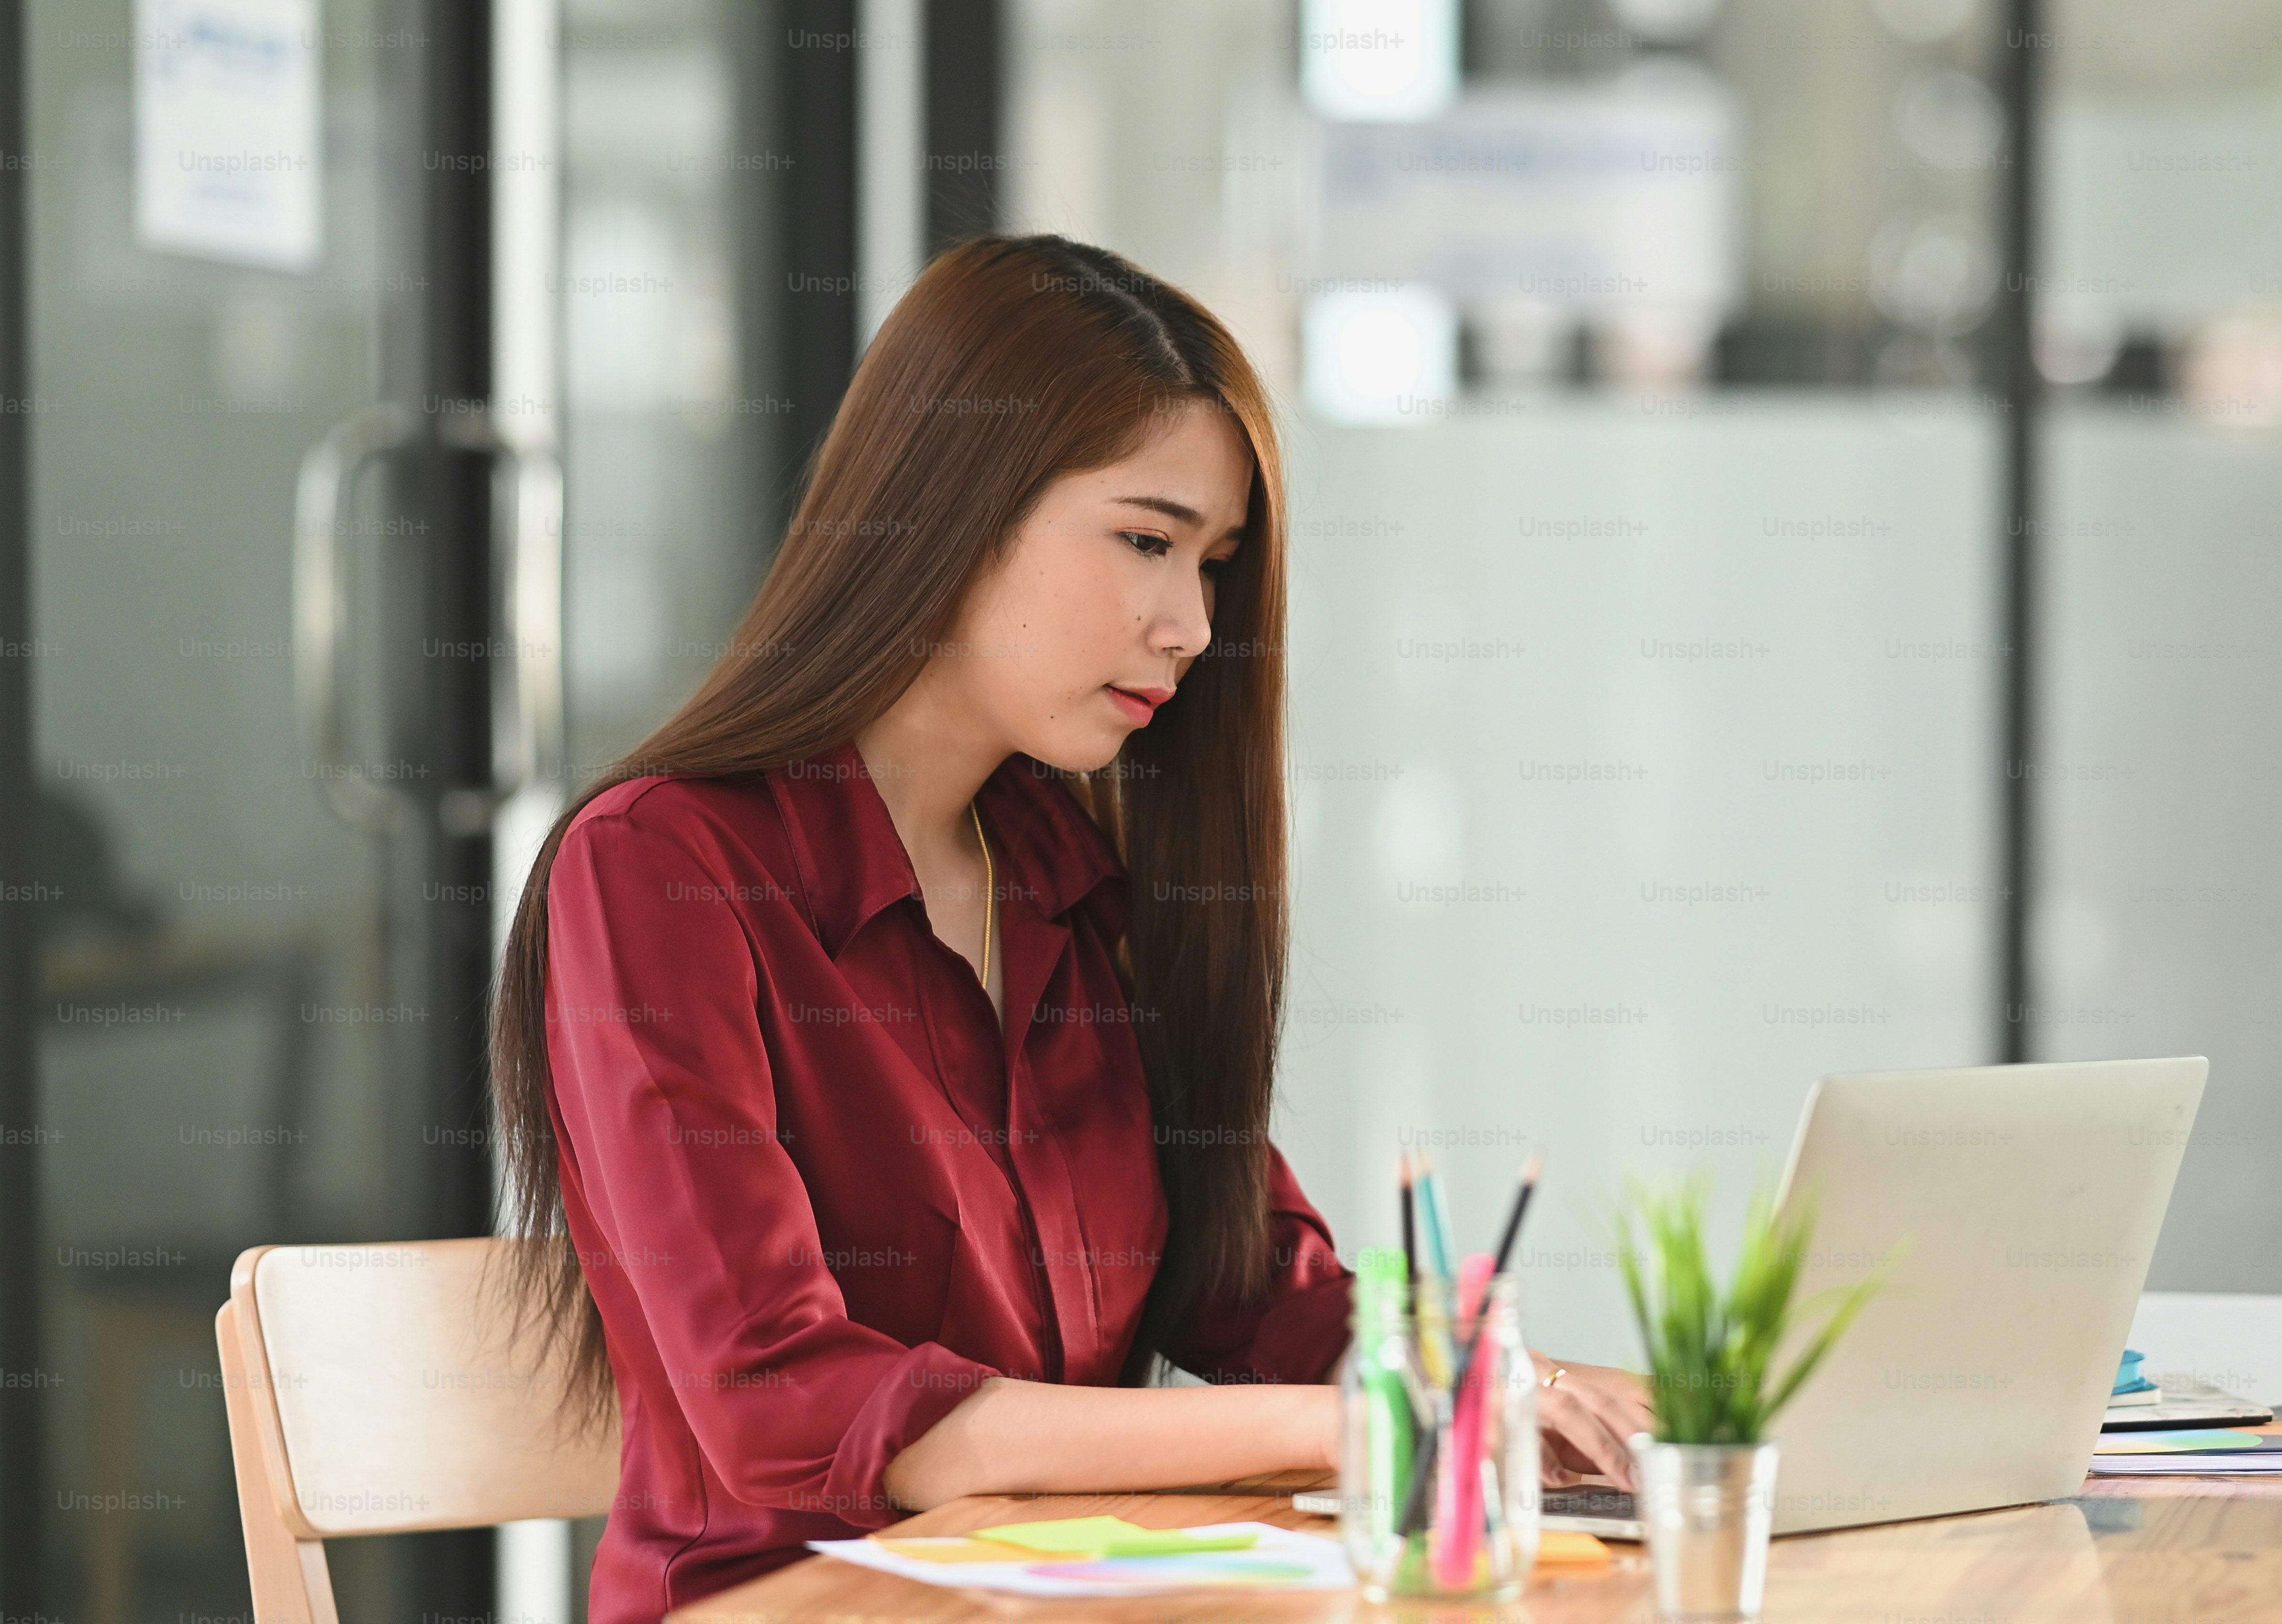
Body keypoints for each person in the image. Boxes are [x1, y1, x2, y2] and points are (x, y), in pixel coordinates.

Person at [488, 234, 1653, 1624]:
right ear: (955, 506)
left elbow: (1249, 1287)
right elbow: (784, 1402)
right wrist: (1338, 1429)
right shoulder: (660, 871)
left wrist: (1507, 1385)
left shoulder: (1068, 879)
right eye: (1147, 541)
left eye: (1214, 565)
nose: (1191, 626)